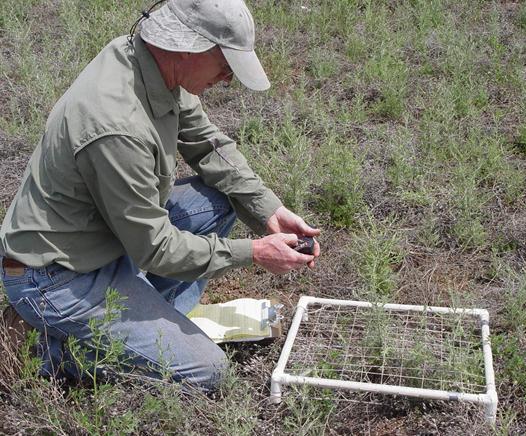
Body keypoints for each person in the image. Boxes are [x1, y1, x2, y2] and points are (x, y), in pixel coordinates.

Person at [0, 0, 320, 391]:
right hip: (54, 276)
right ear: (187, 46)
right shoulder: (116, 126)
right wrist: (252, 253)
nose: (227, 79)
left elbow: (206, 143)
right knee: (209, 373)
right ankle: (48, 351)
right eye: (224, 63)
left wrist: (268, 209)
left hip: (106, 239)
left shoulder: (148, 62)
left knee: (221, 200)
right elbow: (155, 250)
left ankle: (142, 319)